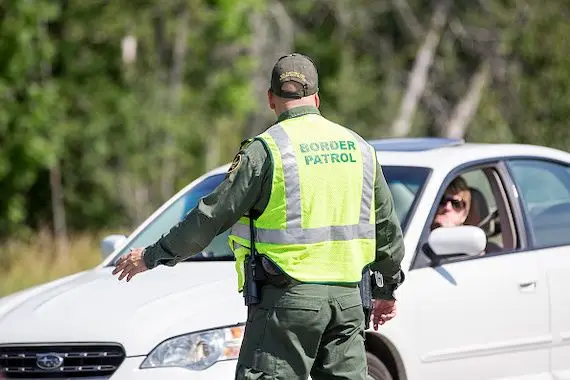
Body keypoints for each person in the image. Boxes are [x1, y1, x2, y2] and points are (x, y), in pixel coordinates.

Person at [112, 53, 406, 380]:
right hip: (349, 301)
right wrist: (386, 290)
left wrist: (152, 256)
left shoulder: (267, 149)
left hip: (288, 303)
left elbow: (210, 218)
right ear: (317, 98)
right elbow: (388, 233)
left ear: (270, 99)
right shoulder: (360, 149)